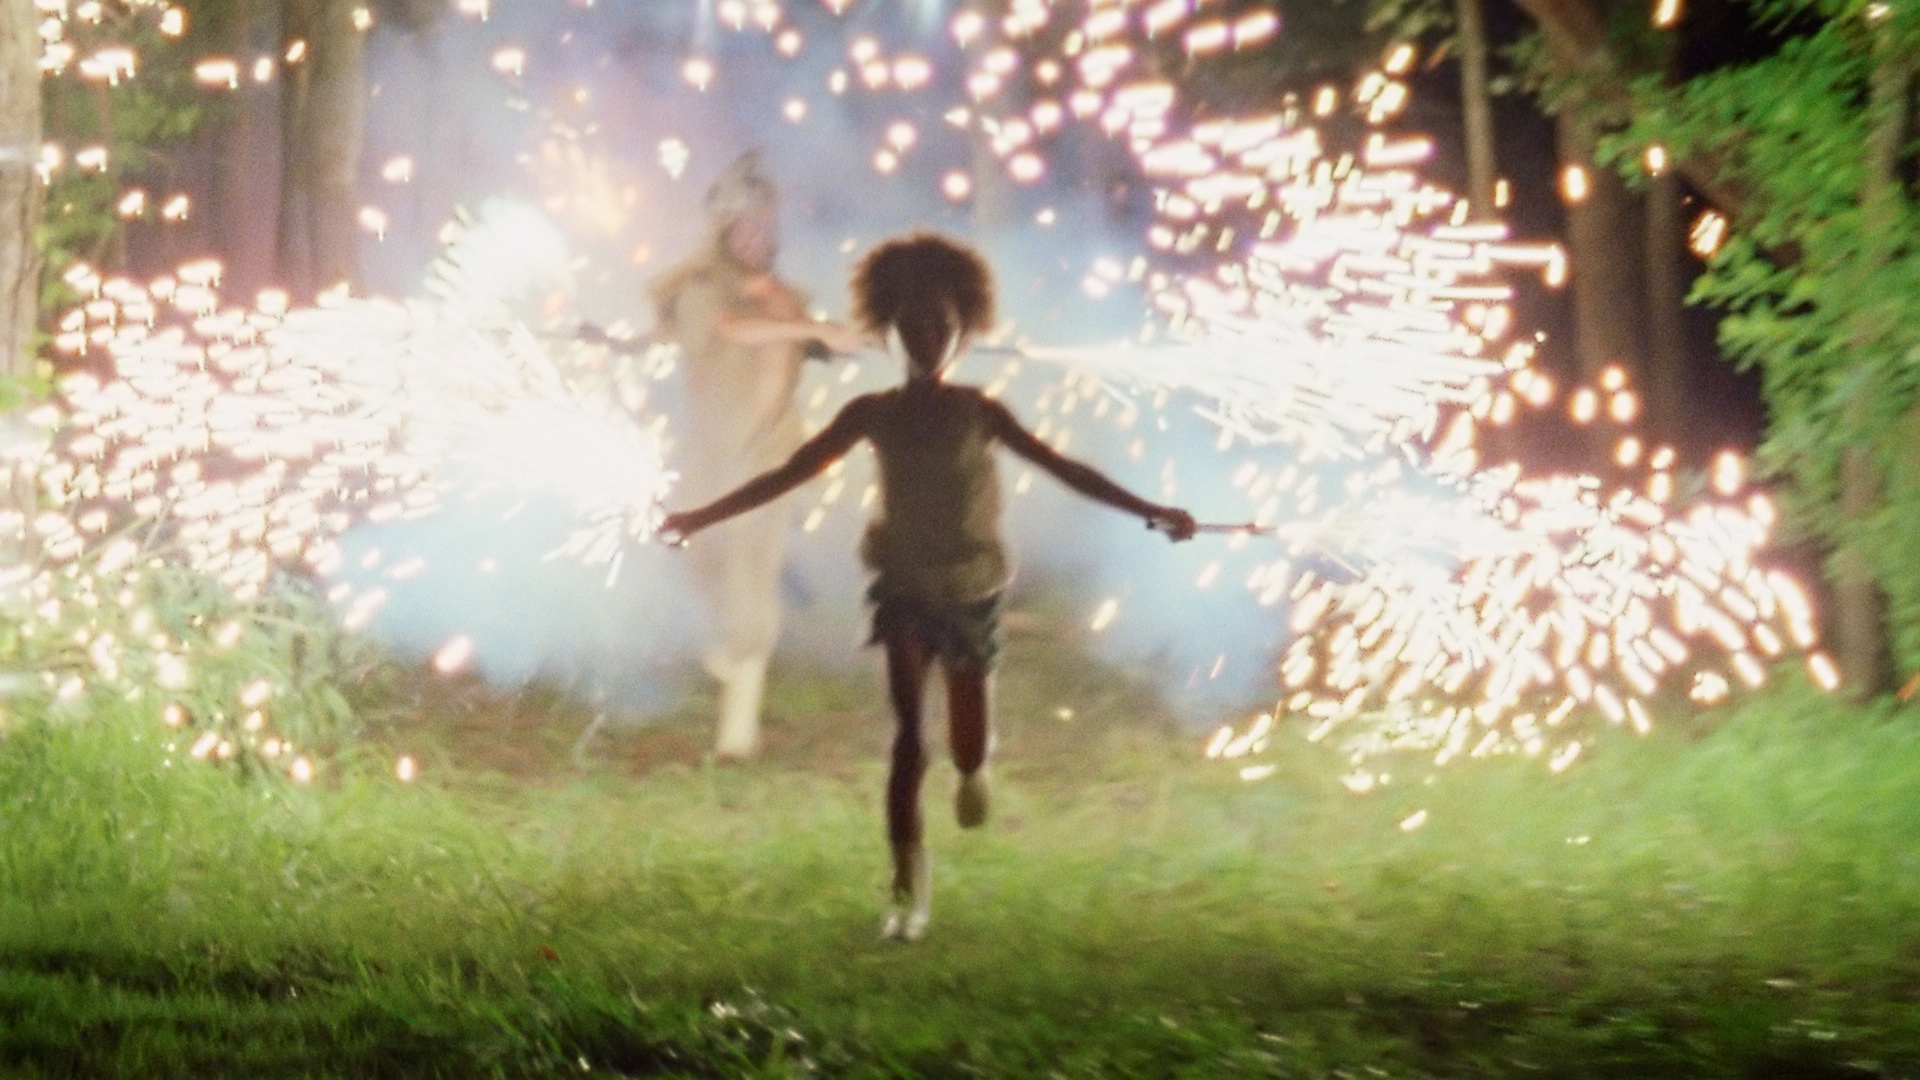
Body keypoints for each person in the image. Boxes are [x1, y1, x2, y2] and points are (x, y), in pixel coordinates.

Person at [660, 233, 1196, 940]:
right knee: (910, 741)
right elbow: (787, 474)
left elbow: (1064, 468)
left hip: (971, 589)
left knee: (966, 745)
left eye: (940, 325)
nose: (926, 338)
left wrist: (1150, 511)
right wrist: (700, 516)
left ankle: (974, 771)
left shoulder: (979, 411)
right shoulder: (872, 413)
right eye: (912, 325)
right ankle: (907, 890)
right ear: (890, 332)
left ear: (961, 333)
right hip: (904, 588)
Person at [650, 152, 865, 759]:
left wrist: (846, 337)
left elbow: (819, 343)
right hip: (709, 457)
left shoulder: (784, 299)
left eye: (764, 226)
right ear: (723, 230)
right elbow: (731, 329)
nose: (756, 238)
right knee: (701, 566)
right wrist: (812, 331)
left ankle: (737, 734)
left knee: (753, 576)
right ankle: (728, 652)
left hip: (770, 459)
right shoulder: (698, 288)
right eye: (744, 226)